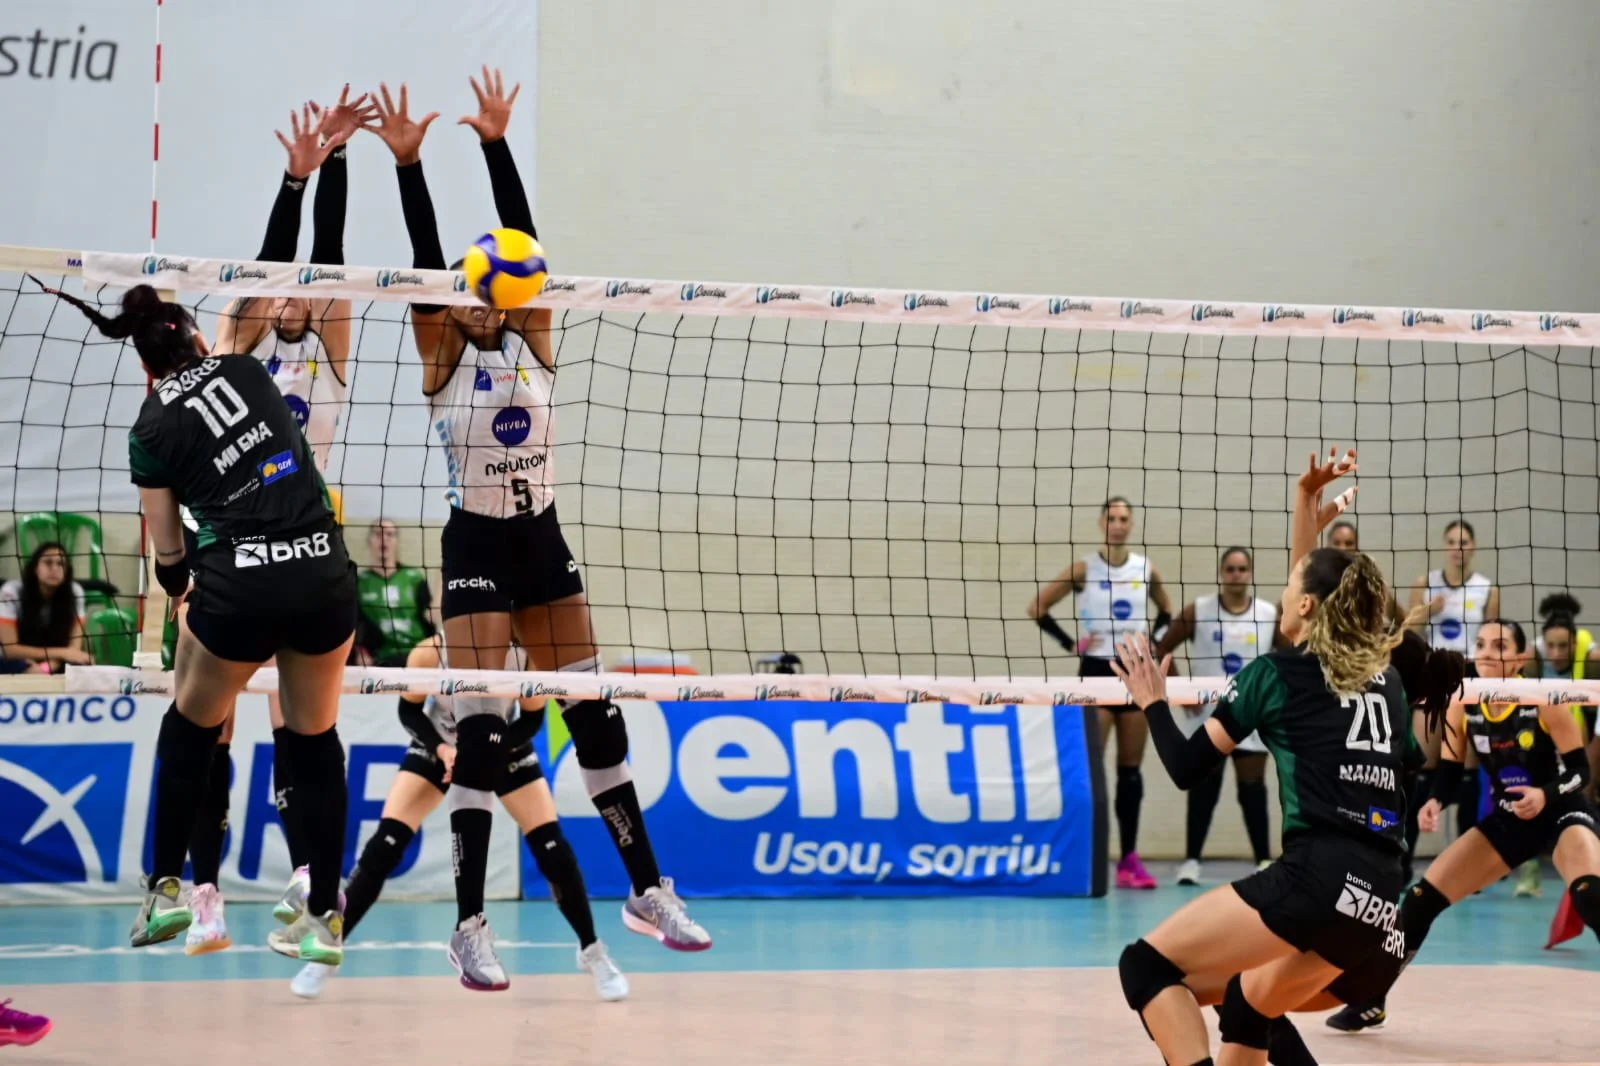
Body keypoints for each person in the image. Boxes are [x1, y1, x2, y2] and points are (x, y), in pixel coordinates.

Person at [365, 70, 709, 950]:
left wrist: (494, 144)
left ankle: (646, 891)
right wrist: (411, 168)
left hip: (541, 535)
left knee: (594, 709)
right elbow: (424, 267)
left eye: (495, 294)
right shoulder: (440, 350)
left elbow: (525, 243)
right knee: (479, 733)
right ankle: (469, 922)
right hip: (475, 539)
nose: (484, 305)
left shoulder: (536, 337)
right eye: (472, 294)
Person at [36, 282, 358, 966]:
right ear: (197, 339)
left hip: (241, 586)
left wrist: (184, 593)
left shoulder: (150, 427)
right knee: (315, 737)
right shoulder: (246, 370)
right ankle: (325, 912)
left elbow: (167, 548)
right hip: (323, 571)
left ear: (148, 366)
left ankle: (165, 891)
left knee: (191, 723)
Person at [1111, 448, 1422, 1066]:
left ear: (1304, 606)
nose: (1281, 593)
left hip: (1317, 877)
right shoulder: (1385, 680)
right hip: (1381, 895)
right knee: (1249, 1006)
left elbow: (1186, 768)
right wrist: (1304, 501)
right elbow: (1318, 590)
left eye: (1289, 588)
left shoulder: (1273, 676)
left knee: (1145, 966)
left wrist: (1152, 702)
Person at [162, 89, 373, 957]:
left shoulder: (328, 343)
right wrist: (292, 182)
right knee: (211, 722)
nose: (293, 297)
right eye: (280, 293)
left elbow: (328, 262)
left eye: (303, 294)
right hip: (228, 553)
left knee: (304, 727)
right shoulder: (237, 351)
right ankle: (204, 890)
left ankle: (306, 882)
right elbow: (264, 277)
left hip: (306, 551)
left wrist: (338, 164)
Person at [291, 636, 626, 1001]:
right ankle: (328, 952)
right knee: (383, 848)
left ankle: (592, 950)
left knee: (553, 850)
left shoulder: (523, 654)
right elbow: (409, 711)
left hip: (502, 746)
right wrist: (445, 749)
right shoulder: (429, 652)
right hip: (439, 747)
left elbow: (531, 720)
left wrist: (484, 754)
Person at [1326, 617, 1600, 1033]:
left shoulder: (1545, 697)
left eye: (1501, 646)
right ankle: (1372, 999)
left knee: (1590, 896)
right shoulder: (1464, 698)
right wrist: (1435, 800)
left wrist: (1545, 794)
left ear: (1522, 658)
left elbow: (1580, 771)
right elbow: (1451, 771)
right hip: (1511, 821)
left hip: (1561, 811)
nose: (1488, 653)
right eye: (1483, 644)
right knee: (1418, 900)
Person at [1027, 496, 1174, 890]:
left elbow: (1167, 613)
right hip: (1095, 672)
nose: (1119, 525)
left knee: (1130, 771)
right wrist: (1069, 643)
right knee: (1090, 771)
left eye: (1125, 519)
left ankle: (1128, 860)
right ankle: (1084, 855)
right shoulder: (1084, 570)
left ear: (1132, 524)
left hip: (1134, 671)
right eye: (1112, 519)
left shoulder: (1145, 569)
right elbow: (1037, 607)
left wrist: (1154, 642)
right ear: (1101, 523)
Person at [1154, 547, 1284, 884]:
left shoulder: (1269, 613)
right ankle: (1191, 862)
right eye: (1230, 568)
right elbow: (1161, 646)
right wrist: (1181, 689)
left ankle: (1263, 860)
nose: (1236, 574)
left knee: (1252, 788)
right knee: (1203, 788)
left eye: (1242, 569)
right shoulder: (1200, 611)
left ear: (1250, 573)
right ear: (1221, 572)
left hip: (1253, 716)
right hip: (1211, 715)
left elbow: (1289, 658)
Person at [355, 518, 436, 666]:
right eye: (378, 534)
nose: (384, 539)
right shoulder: (360, 582)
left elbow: (430, 619)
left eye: (389, 534)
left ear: (396, 541)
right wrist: (360, 651)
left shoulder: (414, 578)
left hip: (415, 653)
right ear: (369, 541)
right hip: (379, 658)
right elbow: (354, 625)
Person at [0, 542, 92, 672]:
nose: (55, 568)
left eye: (61, 564)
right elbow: (10, 650)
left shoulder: (75, 592)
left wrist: (48, 667)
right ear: (35, 568)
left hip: (56, 659)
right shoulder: (11, 592)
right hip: (16, 658)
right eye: (48, 562)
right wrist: (62, 654)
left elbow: (74, 650)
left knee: (85, 663)